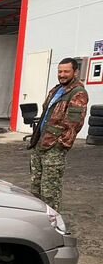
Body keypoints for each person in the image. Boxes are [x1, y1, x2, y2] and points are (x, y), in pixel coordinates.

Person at [29, 57, 89, 212]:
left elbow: (74, 124)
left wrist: (59, 145)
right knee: (35, 187)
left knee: (50, 191)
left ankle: (52, 224)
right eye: (60, 71)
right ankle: (37, 219)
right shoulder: (56, 90)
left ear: (75, 72)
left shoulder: (78, 93)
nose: (62, 74)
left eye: (66, 71)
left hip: (54, 149)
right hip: (41, 143)